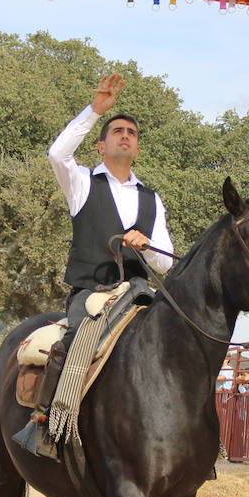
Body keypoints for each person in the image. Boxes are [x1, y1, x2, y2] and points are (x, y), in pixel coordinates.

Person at [47, 74, 174, 342]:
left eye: (131, 133)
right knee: (78, 346)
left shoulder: (152, 199)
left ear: (137, 149)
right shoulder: (82, 183)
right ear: (101, 146)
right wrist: (95, 111)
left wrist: (146, 246)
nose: (125, 136)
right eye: (117, 131)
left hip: (139, 295)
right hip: (90, 296)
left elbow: (164, 264)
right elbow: (58, 154)